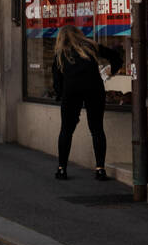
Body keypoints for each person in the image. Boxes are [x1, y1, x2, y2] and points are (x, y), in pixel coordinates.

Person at [52, 24, 123, 180]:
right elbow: (116, 56)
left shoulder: (60, 54)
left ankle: (61, 168)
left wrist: (60, 95)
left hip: (71, 91)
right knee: (97, 128)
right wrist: (113, 70)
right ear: (78, 35)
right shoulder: (91, 47)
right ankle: (100, 169)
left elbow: (57, 82)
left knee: (66, 130)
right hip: (93, 89)